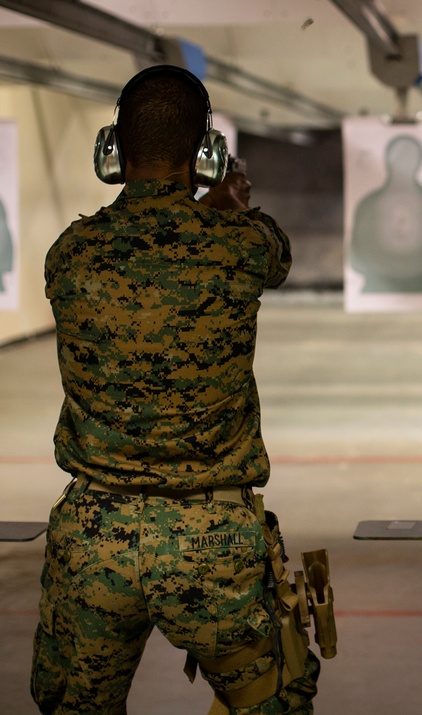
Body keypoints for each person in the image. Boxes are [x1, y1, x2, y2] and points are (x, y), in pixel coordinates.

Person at [31, 65, 321, 714]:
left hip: (94, 533)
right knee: (274, 697)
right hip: (210, 537)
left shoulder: (68, 253)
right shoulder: (241, 246)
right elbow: (271, 252)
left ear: (114, 150)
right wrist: (226, 206)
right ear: (206, 157)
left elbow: (145, 259)